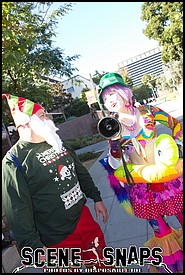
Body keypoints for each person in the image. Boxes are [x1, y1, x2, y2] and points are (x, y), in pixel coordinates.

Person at [2, 93, 109, 271]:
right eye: (42, 116)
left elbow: (80, 172)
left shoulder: (56, 141)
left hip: (84, 220)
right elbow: (17, 211)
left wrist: (96, 198)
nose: (48, 119)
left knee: (105, 266)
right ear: (26, 122)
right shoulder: (13, 161)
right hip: (55, 238)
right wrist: (35, 247)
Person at [97, 72, 183, 273]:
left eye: (112, 94)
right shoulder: (113, 128)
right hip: (142, 190)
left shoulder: (149, 111)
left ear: (124, 93)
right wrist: (115, 148)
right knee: (161, 231)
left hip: (169, 181)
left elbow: (175, 124)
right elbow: (116, 164)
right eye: (105, 98)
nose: (109, 100)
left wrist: (177, 147)